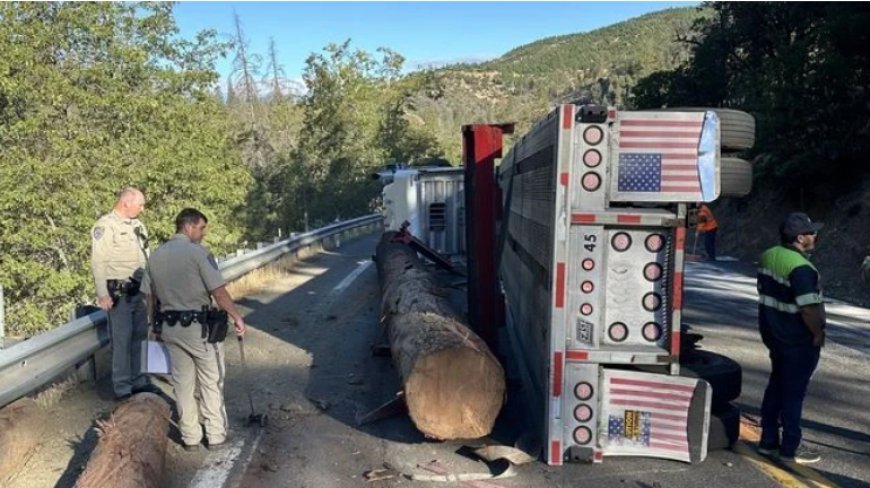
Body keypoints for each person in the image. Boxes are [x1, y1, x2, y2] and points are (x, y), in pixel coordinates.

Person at [141, 208, 246, 452]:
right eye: (201, 228)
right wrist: (236, 316)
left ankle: (190, 438)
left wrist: (154, 325)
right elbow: (218, 291)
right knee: (211, 380)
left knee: (183, 384)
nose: (203, 234)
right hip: (199, 330)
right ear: (188, 227)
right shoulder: (198, 253)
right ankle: (216, 435)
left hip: (169, 328)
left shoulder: (155, 256)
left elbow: (149, 297)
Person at [756, 212, 825, 464]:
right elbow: (808, 308)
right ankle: (791, 447)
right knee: (794, 393)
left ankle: (767, 441)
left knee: (776, 387)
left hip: (774, 335)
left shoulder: (768, 256)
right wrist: (817, 333)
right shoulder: (801, 269)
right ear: (799, 238)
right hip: (797, 339)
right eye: (811, 233)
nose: (815, 236)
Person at [91, 187, 157, 400]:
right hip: (118, 292)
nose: (143, 208)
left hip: (139, 290)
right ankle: (122, 387)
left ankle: (139, 381)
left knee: (139, 336)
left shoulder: (138, 226)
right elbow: (98, 262)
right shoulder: (106, 226)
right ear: (127, 202)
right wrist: (102, 294)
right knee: (121, 340)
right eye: (140, 204)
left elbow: (146, 258)